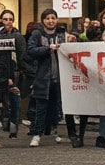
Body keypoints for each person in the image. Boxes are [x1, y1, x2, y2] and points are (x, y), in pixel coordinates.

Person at [25, 10, 80, 147]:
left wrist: (73, 41)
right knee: (41, 107)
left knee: (62, 107)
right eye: (48, 18)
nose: (51, 21)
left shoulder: (61, 33)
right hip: (43, 77)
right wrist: (48, 48)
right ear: (43, 20)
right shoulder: (37, 34)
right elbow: (31, 50)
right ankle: (37, 134)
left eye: (53, 18)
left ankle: (64, 133)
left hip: (61, 77)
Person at [0, 10, 25, 140]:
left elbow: (21, 56)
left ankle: (13, 131)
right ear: (1, 20)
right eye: (5, 19)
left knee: (15, 104)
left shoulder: (18, 36)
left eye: (10, 19)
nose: (8, 22)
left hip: (14, 74)